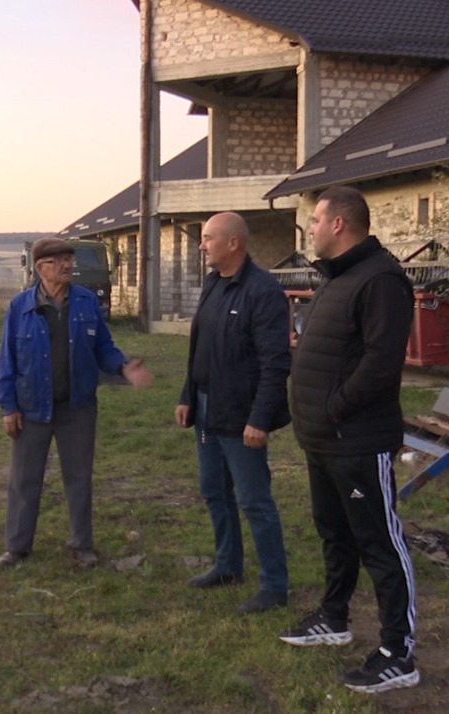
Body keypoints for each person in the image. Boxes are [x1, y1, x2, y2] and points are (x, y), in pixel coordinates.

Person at [280, 186, 420, 693]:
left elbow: (381, 365)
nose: (310, 228)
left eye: (315, 220)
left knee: (379, 542)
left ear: (339, 224)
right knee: (334, 532)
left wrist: (335, 406)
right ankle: (333, 618)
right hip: (324, 440)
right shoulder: (336, 278)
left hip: (358, 438)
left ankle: (398, 652)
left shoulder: (381, 280)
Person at [0, 237, 153, 568]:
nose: (68, 265)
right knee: (24, 479)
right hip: (32, 409)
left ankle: (82, 544)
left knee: (79, 478)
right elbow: (7, 361)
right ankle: (17, 546)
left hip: (77, 408)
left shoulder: (85, 303)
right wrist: (9, 407)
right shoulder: (20, 307)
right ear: (41, 268)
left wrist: (123, 367)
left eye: (69, 259)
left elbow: (104, 348)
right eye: (59, 261)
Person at [175, 212, 292, 614]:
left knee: (255, 500)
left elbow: (276, 363)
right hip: (207, 410)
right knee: (214, 490)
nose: (202, 245)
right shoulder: (213, 284)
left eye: (208, 238)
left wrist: (260, 419)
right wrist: (187, 394)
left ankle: (275, 585)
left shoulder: (263, 292)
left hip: (241, 416)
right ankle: (227, 566)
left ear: (234, 244)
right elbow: (200, 347)